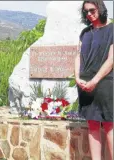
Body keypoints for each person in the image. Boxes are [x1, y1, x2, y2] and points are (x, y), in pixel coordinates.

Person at [74, 0, 113, 159]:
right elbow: (78, 56)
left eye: (92, 10)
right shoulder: (85, 32)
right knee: (92, 125)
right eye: (86, 12)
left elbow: (111, 60)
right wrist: (77, 77)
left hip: (105, 83)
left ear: (101, 8)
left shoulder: (112, 29)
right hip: (85, 84)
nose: (89, 14)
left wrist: (95, 80)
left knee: (110, 125)